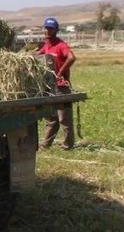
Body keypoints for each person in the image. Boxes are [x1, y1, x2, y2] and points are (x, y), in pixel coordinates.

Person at [37, 17, 77, 150]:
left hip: (61, 86)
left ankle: (68, 146)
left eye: (51, 28)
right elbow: (38, 55)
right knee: (51, 118)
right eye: (46, 28)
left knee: (64, 119)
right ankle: (46, 144)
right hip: (49, 87)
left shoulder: (61, 45)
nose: (47, 30)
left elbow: (72, 57)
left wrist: (60, 72)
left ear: (56, 30)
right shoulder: (47, 45)